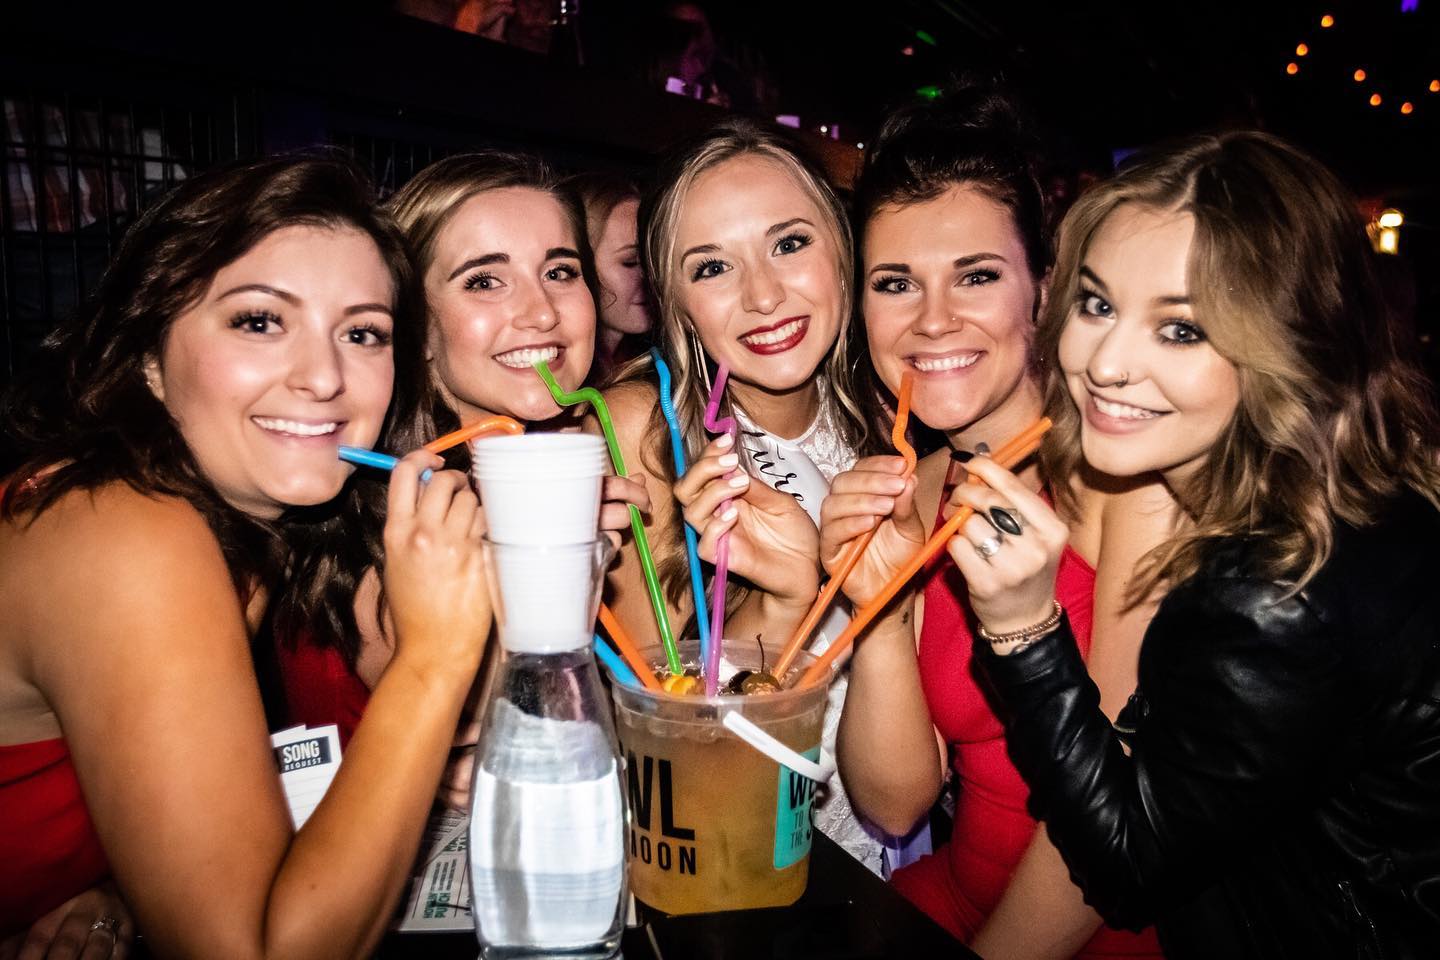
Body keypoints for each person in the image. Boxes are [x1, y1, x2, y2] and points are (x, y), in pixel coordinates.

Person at [945, 131, 1440, 957]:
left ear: (1288, 343)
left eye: (1180, 330)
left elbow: (1128, 869)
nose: (1105, 362)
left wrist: (1025, 630)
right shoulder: (1357, 487)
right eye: (1097, 305)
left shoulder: (1277, 586)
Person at [0, 154, 491, 957]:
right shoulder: (120, 532)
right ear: (152, 359)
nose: (325, 378)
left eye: (363, 333)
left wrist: (124, 886)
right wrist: (436, 656)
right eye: (260, 321)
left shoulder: (252, 541)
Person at [819, 83, 1170, 955]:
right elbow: (896, 803)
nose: (933, 320)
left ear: (1043, 292)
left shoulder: (1132, 481)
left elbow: (1117, 816)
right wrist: (880, 613)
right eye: (895, 284)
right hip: (947, 901)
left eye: (976, 276)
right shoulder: (920, 480)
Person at [600, 117, 897, 872]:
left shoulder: (894, 415)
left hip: (881, 860)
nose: (764, 295)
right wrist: (783, 601)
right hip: (732, 860)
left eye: (790, 244)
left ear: (843, 248)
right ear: (674, 302)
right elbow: (679, 760)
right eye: (711, 268)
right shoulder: (644, 431)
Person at [567, 171, 655, 379]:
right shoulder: (564, 377)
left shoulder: (645, 364)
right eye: (630, 262)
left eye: (653, 258)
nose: (651, 275)